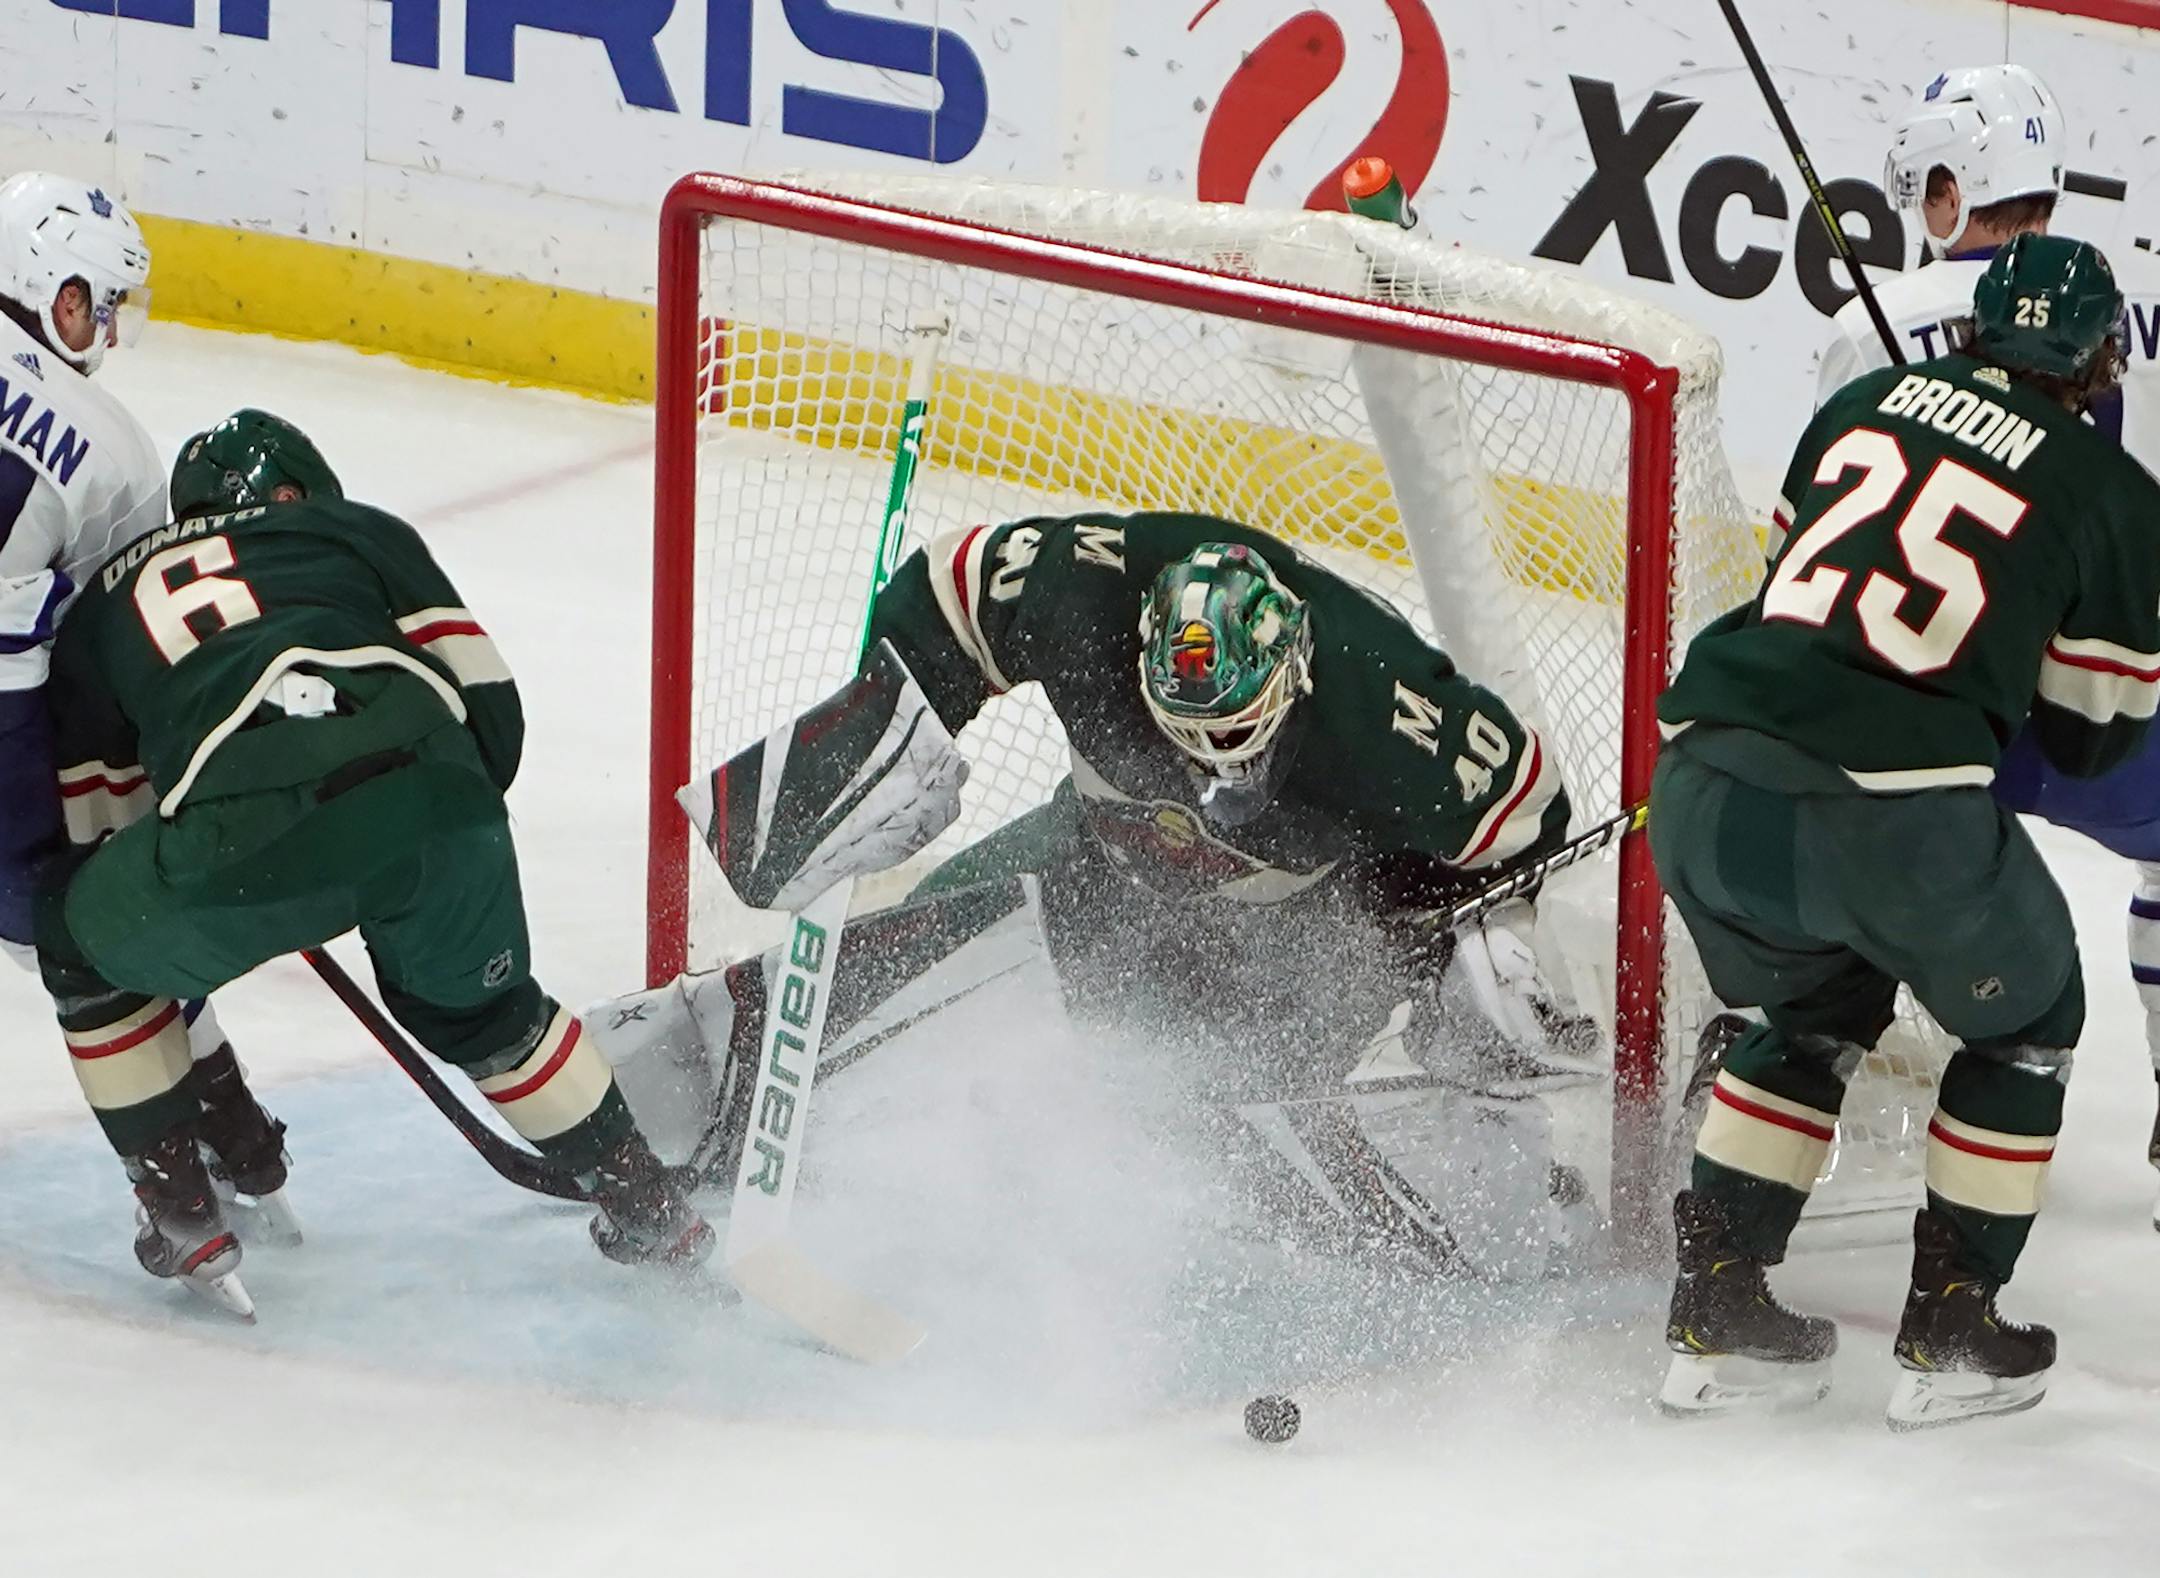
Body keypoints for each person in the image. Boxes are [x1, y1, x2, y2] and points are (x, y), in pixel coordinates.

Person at [36, 409, 711, 1318]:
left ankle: (181, 1205)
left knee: (79, 945)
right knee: (489, 1014)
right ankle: (647, 1204)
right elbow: (492, 712)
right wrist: (411, 830)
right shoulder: (357, 530)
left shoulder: (104, 612)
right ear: (292, 494)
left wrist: (267, 839)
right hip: (440, 796)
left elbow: (102, 832)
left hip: (245, 833)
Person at [1654, 235, 2160, 1428]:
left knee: (1814, 1004)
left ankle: (1715, 1306)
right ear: (2100, 361)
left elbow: (1793, 579)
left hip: (1699, 778)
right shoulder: (2114, 496)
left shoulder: (1863, 401)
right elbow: (2094, 735)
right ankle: (1951, 1328)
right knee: (2030, 1019)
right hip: (1892, 815)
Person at [844, 510, 1598, 1269]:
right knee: (918, 935)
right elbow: (949, 593)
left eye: (1238, 732)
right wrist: (889, 739)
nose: (1216, 766)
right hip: (1091, 863)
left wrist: (1458, 947)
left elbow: (1530, 811)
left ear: (1294, 671)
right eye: (1188, 732)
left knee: (1203, 1104)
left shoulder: (1385, 706)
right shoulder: (1085, 594)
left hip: (1274, 945)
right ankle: (818, 1117)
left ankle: (1428, 1255)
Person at [1819, 65, 2160, 1213]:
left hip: (1913, 704)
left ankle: (1771, 1079)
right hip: (2088, 708)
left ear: (1945, 186)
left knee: (1840, 876)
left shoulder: (1871, 328)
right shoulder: (2134, 311)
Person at [0, 173, 292, 1233]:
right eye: (101, 306)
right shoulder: (114, 451)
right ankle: (215, 1153)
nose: (107, 335)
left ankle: (225, 1136)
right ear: (54, 291)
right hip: (17, 727)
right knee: (87, 941)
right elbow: (132, 639)